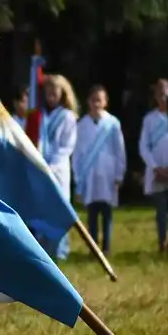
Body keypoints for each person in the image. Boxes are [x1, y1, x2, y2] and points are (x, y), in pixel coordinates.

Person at [72, 85, 126, 253]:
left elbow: (120, 150)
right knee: (92, 213)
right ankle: (94, 248)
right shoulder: (81, 125)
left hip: (108, 174)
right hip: (89, 175)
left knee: (107, 213)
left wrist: (119, 173)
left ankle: (107, 247)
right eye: (93, 100)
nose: (96, 103)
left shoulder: (113, 123)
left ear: (105, 102)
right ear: (88, 102)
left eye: (99, 100)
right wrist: (78, 175)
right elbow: (77, 152)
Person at [37, 75, 79, 261]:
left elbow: (66, 147)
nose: (51, 94)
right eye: (48, 91)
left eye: (55, 90)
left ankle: (61, 250)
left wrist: (51, 165)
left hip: (58, 169)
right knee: (42, 209)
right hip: (40, 167)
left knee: (59, 209)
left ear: (63, 93)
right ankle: (43, 249)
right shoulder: (40, 115)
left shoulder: (68, 116)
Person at [139, 79, 168, 253]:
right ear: (155, 96)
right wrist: (155, 167)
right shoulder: (149, 119)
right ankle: (162, 241)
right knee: (161, 209)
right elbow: (143, 145)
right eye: (160, 95)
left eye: (167, 95)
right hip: (156, 171)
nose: (163, 98)